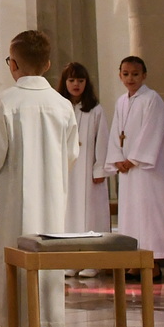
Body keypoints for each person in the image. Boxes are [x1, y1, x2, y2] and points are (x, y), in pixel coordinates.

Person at [0, 30, 79, 327]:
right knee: (46, 253)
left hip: (14, 197)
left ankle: (19, 325)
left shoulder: (4, 102)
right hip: (51, 195)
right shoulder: (62, 105)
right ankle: (46, 323)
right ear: (47, 64)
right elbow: (71, 153)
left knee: (14, 251)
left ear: (13, 64)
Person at [103, 56, 164, 268]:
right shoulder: (121, 101)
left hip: (146, 170)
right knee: (131, 214)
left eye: (135, 74)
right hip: (127, 170)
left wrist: (133, 159)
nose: (130, 78)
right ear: (120, 75)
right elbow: (116, 132)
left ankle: (153, 263)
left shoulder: (152, 99)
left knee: (148, 214)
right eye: (126, 74)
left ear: (144, 75)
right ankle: (134, 261)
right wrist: (117, 158)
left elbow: (152, 131)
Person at [57, 62, 110, 242]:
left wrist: (100, 168)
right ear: (65, 82)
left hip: (88, 168)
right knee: (68, 210)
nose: (76, 84)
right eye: (71, 80)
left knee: (89, 210)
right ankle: (68, 250)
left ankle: (92, 250)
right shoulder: (59, 108)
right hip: (66, 168)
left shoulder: (95, 109)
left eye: (80, 80)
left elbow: (102, 140)